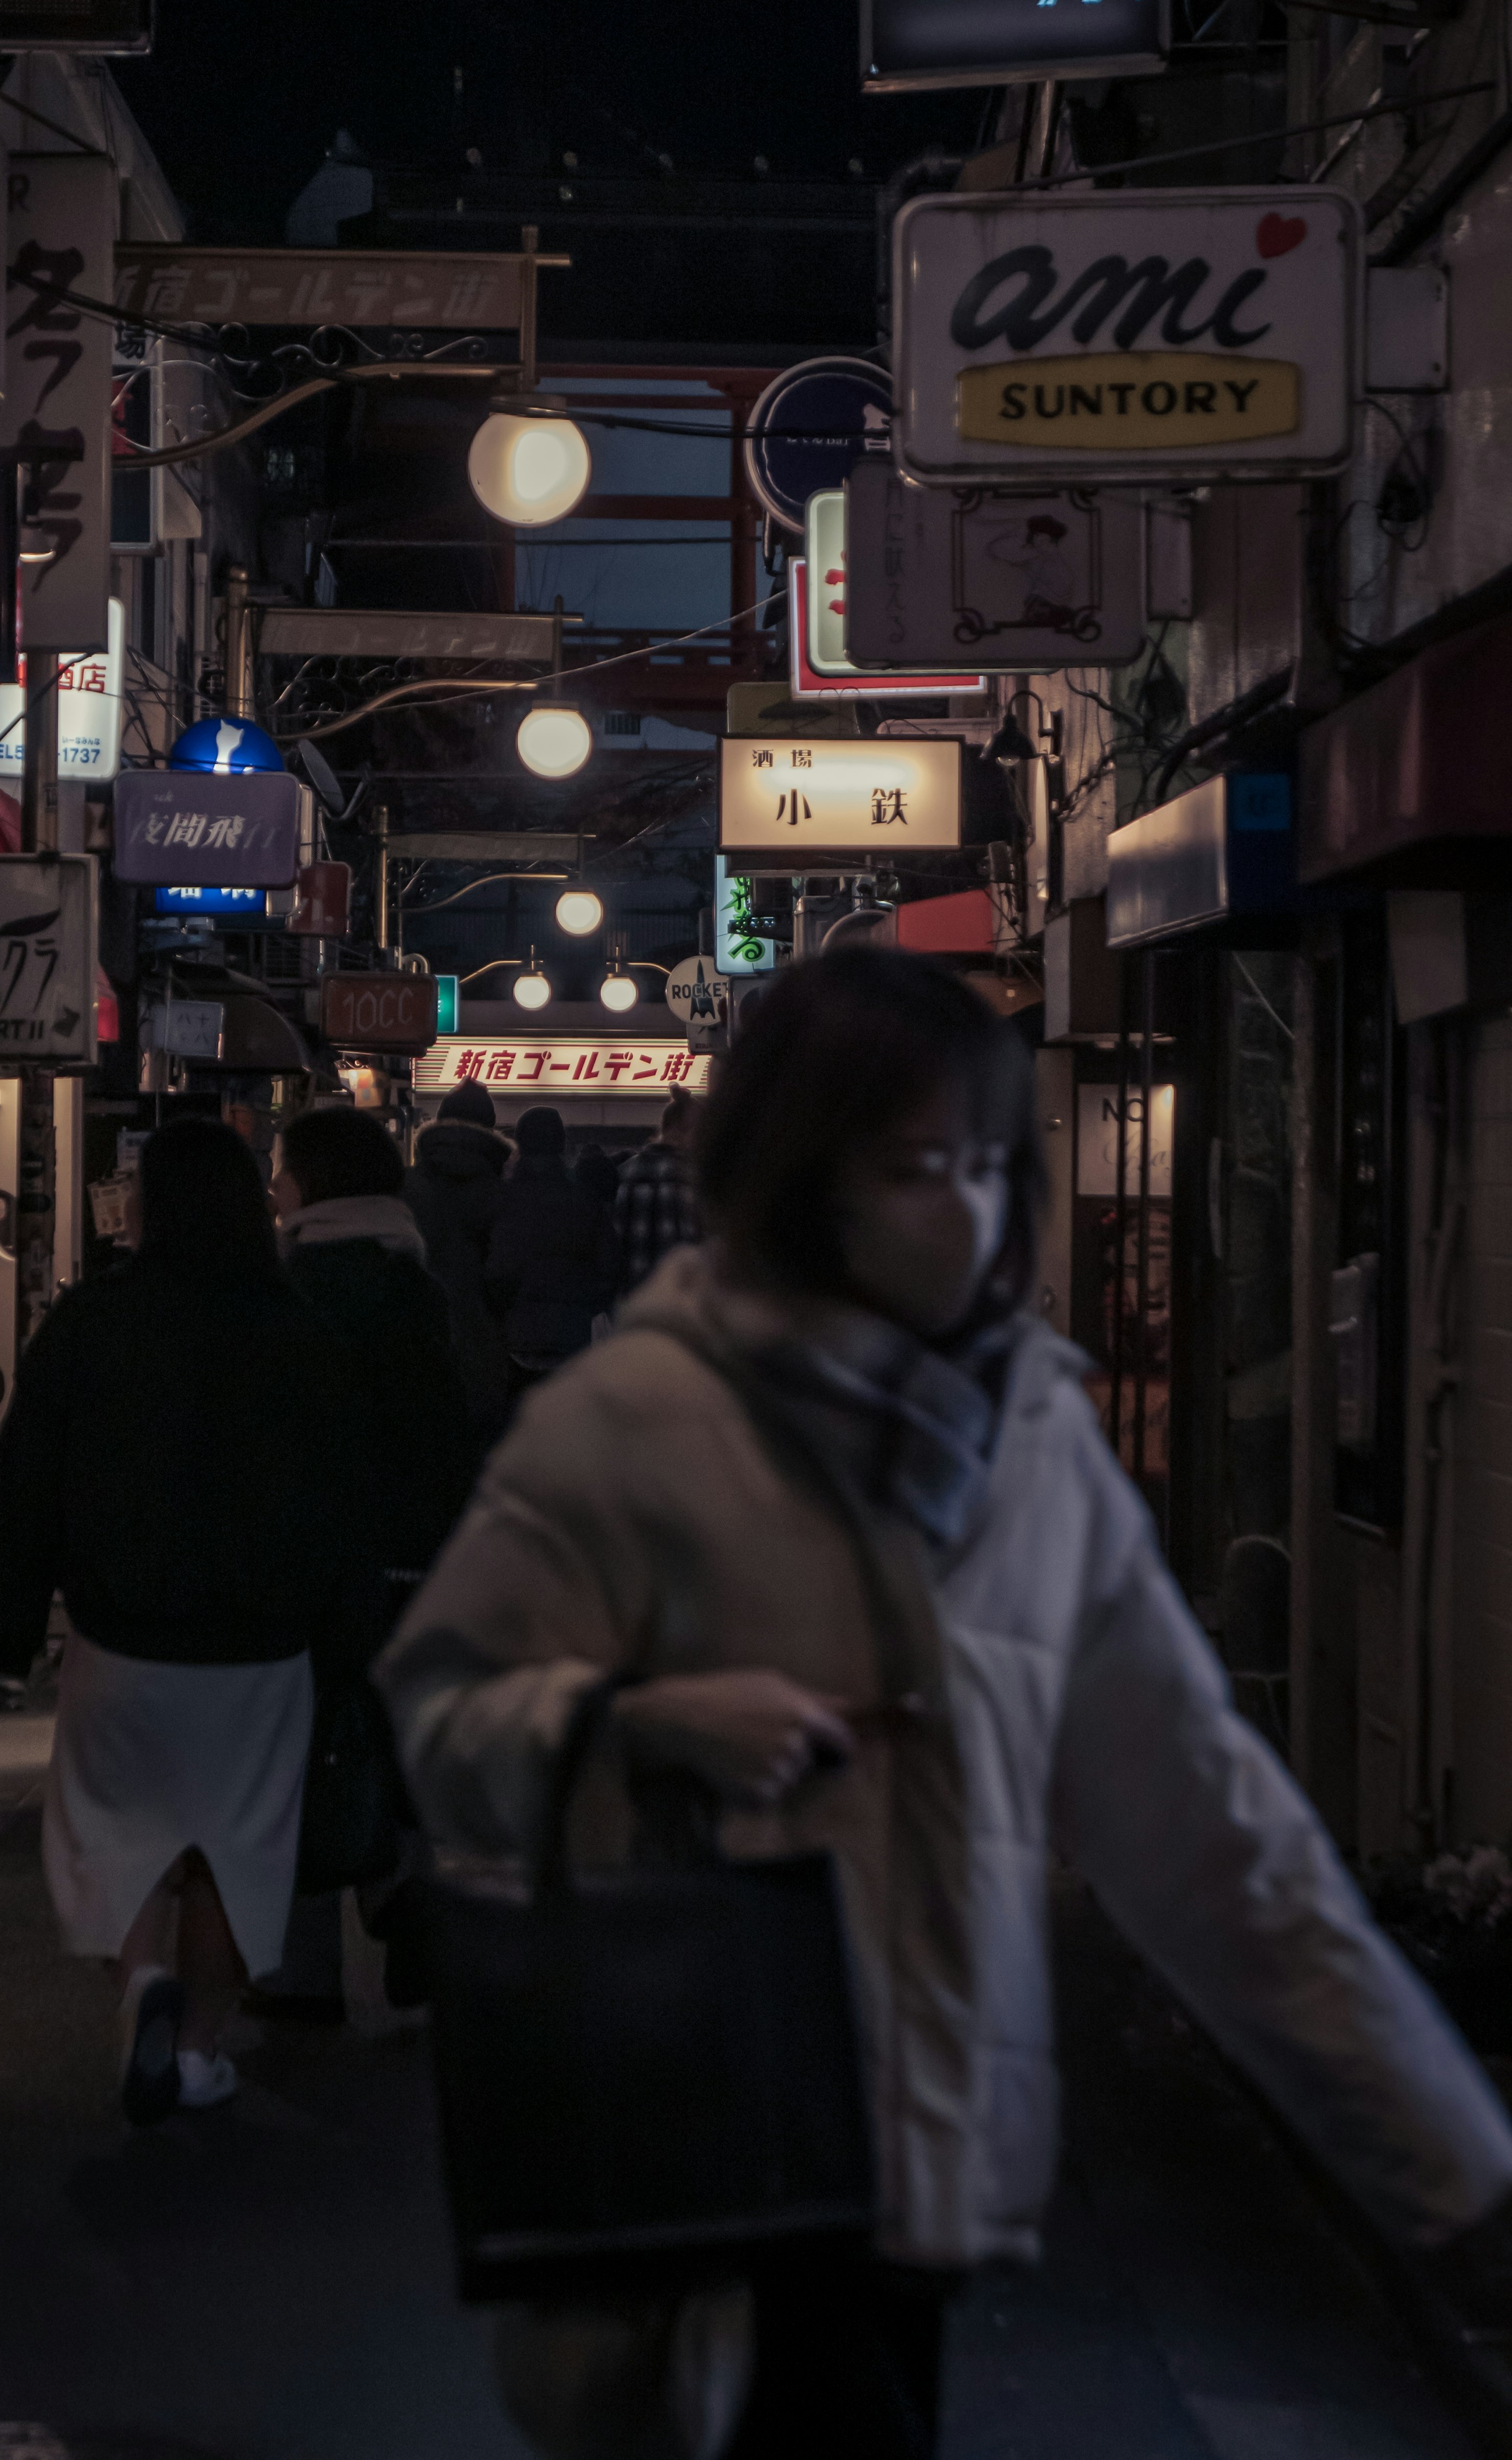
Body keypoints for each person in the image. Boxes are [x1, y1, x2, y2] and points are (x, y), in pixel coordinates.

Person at [379, 948, 1512, 2460]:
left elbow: (1209, 1830)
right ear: (799, 1176)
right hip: (688, 2134)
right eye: (917, 1167)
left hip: (922, 2150)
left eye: (988, 1163)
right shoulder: (633, 1421)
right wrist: (631, 1716)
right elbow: (438, 1713)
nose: (968, 1208)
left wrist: (1459, 2165)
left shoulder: (1032, 1436)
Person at [0, 1118, 363, 2129]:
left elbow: (26, 1482)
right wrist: (347, 1630)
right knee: (236, 1849)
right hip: (262, 1651)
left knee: (121, 1831)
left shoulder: (92, 1324)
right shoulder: (300, 1330)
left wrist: (7, 1624)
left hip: (121, 1638)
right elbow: (345, 1500)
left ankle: (144, 1979)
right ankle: (195, 2053)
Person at [274, 1102, 477, 1606]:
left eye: (285, 1167)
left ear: (314, 1180)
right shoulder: (410, 1280)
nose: (275, 1183)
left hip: (314, 1564)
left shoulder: (293, 1286)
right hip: (404, 1559)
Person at [402, 1077, 514, 1443]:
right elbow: (504, 1278)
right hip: (482, 1351)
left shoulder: (407, 1187)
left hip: (412, 1348)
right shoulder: (502, 1196)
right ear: (491, 1129)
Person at [484, 1104, 624, 1384]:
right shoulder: (584, 1202)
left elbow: (492, 1269)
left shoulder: (501, 1201)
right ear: (561, 1145)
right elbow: (610, 1269)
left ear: (521, 1145)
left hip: (514, 1335)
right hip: (572, 1334)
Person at [613, 1083, 701, 1294]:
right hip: (681, 1299)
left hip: (633, 1299)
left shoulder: (626, 1172)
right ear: (689, 1132)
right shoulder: (694, 1178)